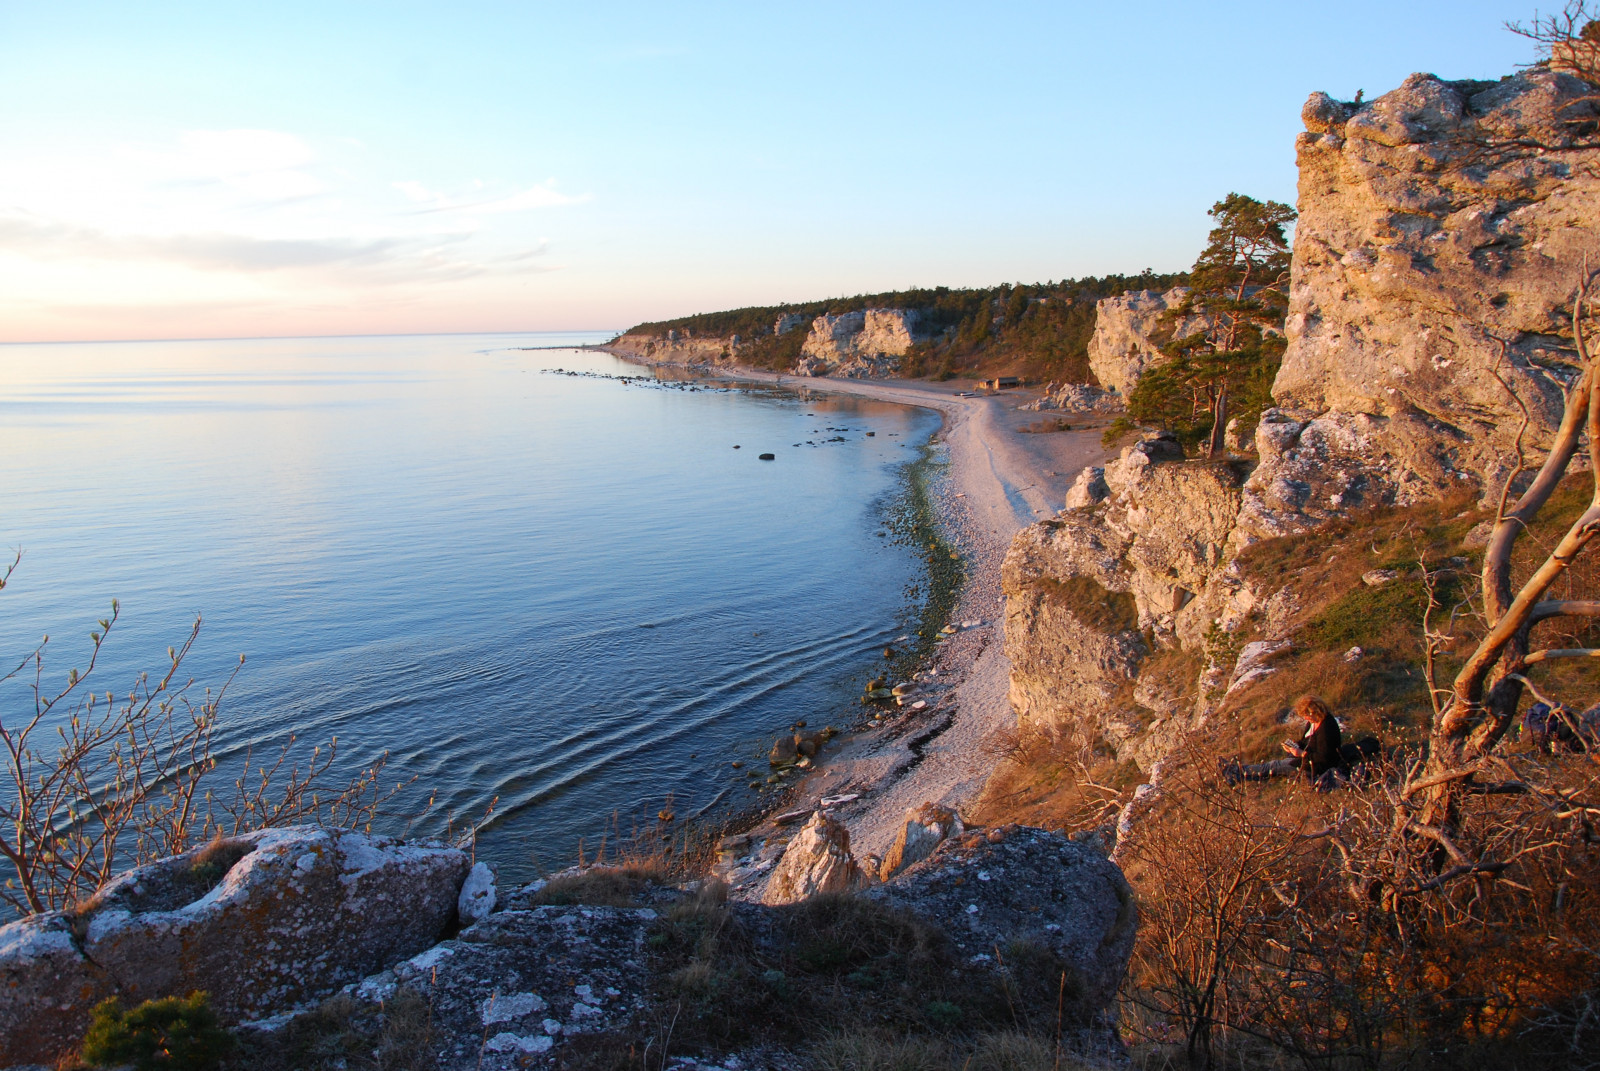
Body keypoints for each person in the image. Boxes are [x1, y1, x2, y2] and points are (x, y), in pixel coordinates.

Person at [1281, 695, 1347, 788]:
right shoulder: (1312, 722)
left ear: (1313, 712)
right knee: (1276, 764)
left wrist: (1302, 754)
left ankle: (1257, 772)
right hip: (1307, 760)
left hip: (1316, 766)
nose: (1305, 718)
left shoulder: (1326, 727)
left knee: (1274, 766)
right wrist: (1296, 745)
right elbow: (1306, 742)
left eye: (1306, 715)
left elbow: (1324, 757)